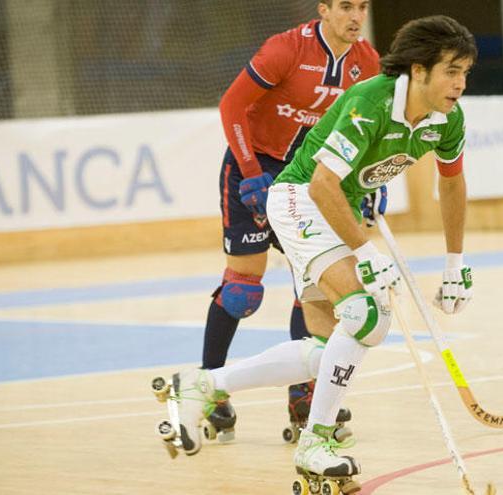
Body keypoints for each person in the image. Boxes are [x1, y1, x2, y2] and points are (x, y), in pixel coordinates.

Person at [156, 14, 477, 486]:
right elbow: (323, 183)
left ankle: (202, 385)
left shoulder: (447, 120)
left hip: (337, 204)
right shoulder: (370, 101)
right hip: (301, 197)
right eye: (452, 70)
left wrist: (455, 262)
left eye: (466, 72)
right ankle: (315, 441)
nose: (460, 84)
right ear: (418, 70)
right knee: (368, 316)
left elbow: (452, 184)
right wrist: (365, 252)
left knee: (329, 347)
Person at [202, 0, 378, 440]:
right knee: (243, 291)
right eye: (345, 6)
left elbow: (370, 132)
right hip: (255, 165)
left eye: (362, 6)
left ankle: (304, 396)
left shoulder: (368, 62)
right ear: (323, 9)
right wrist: (249, 169)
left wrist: (372, 181)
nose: (355, 16)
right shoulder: (285, 50)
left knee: (316, 282)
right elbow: (231, 106)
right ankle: (208, 386)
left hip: (308, 178)